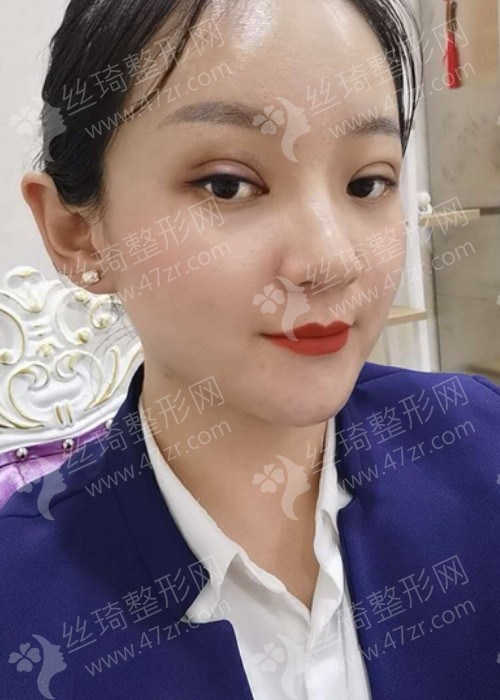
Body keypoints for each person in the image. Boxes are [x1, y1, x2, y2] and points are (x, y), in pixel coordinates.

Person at [1, 0, 499, 698]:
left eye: (367, 183)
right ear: (76, 232)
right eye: (228, 184)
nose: (331, 261)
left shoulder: (480, 445)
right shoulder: (20, 606)